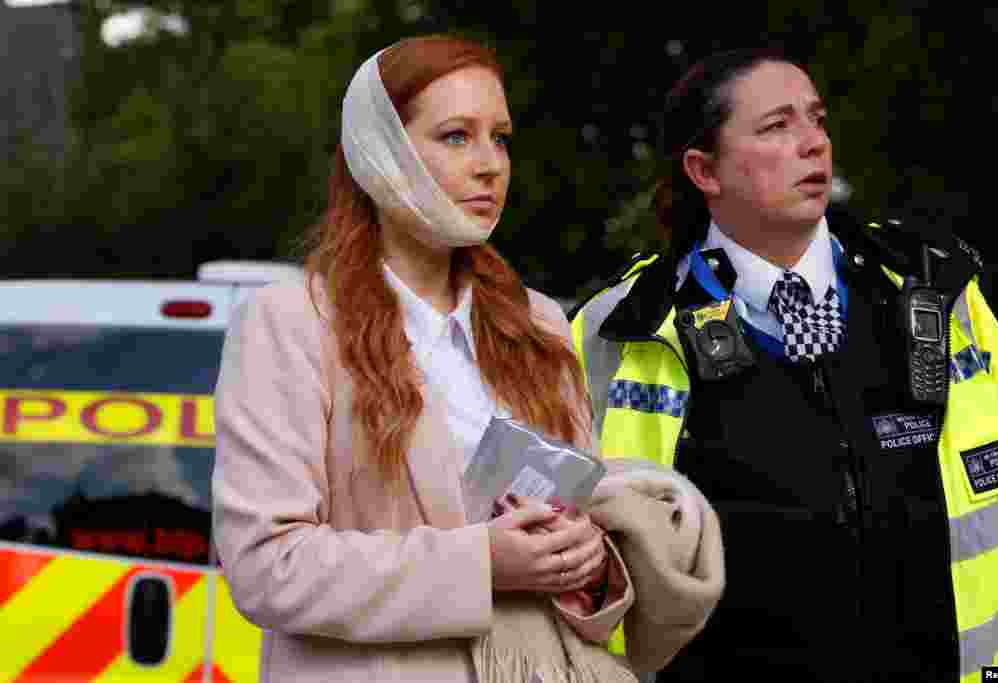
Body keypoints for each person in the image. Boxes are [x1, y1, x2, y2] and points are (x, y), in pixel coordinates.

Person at [212, 35, 721, 683]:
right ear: (381, 152)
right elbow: (265, 567)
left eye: (500, 138)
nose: (490, 165)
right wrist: (482, 564)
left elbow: (577, 537)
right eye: (456, 136)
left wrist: (590, 558)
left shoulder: (538, 321)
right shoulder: (289, 324)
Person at [570, 47, 998, 682]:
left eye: (816, 119)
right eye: (777, 126)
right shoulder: (620, 328)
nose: (813, 144)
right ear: (704, 170)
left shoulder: (935, 290)